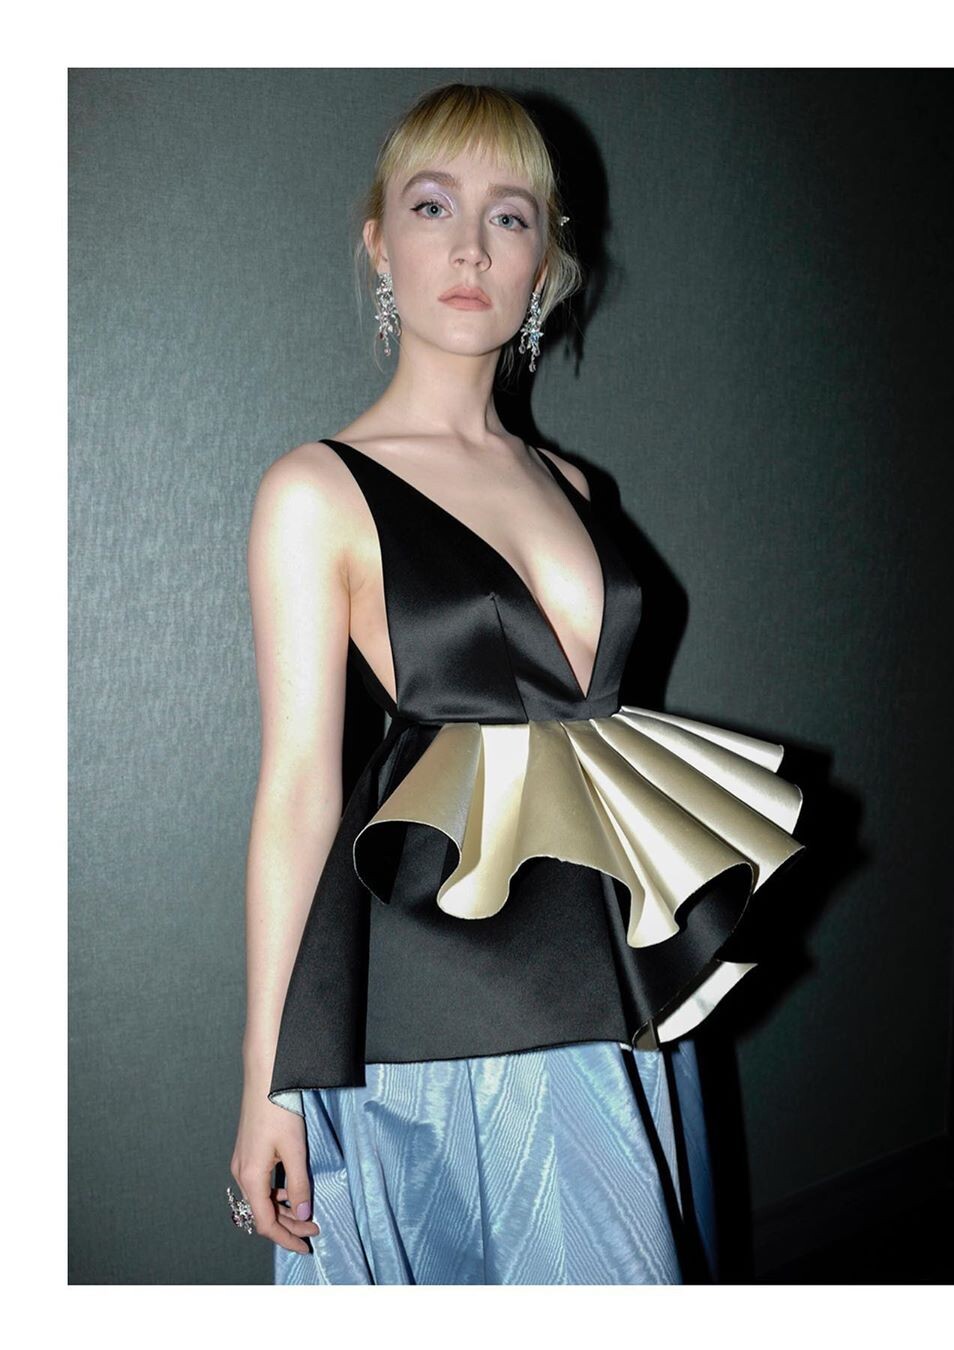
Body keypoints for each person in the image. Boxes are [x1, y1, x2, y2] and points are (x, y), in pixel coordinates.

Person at [229, 82, 806, 1286]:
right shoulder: (314, 491)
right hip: (448, 996)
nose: (470, 246)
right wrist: (265, 1084)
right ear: (379, 242)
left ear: (546, 261)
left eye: (510, 215)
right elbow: (297, 794)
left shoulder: (577, 486)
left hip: (614, 959)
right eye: (432, 205)